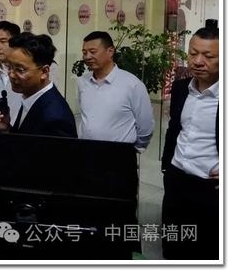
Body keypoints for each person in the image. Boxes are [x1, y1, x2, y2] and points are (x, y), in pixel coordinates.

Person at [161, 26, 219, 260]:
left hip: (211, 188)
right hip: (177, 180)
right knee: (174, 245)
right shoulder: (181, 89)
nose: (198, 61)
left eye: (208, 56)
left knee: (206, 250)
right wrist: (167, 168)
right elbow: (174, 129)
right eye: (193, 53)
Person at [77, 31, 154, 151]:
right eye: (84, 52)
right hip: (86, 152)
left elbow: (146, 125)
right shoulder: (82, 82)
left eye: (93, 52)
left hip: (119, 154)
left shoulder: (132, 84)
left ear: (110, 51)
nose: (87, 57)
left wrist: (133, 149)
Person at [0, 32, 76, 138]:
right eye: (9, 67)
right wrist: (6, 129)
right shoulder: (31, 96)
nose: (12, 75)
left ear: (44, 72)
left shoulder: (56, 118)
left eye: (20, 69)